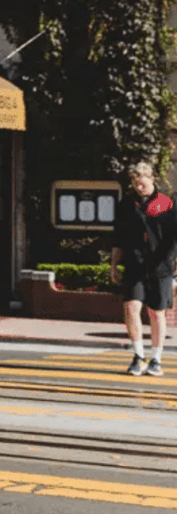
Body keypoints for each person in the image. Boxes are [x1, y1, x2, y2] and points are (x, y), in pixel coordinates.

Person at [111, 161, 177, 376]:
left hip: (161, 266)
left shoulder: (166, 203)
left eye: (142, 183)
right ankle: (138, 355)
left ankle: (156, 358)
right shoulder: (126, 205)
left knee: (157, 313)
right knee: (131, 308)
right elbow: (118, 237)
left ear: (152, 180)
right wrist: (114, 265)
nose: (139, 188)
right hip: (134, 264)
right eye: (135, 184)